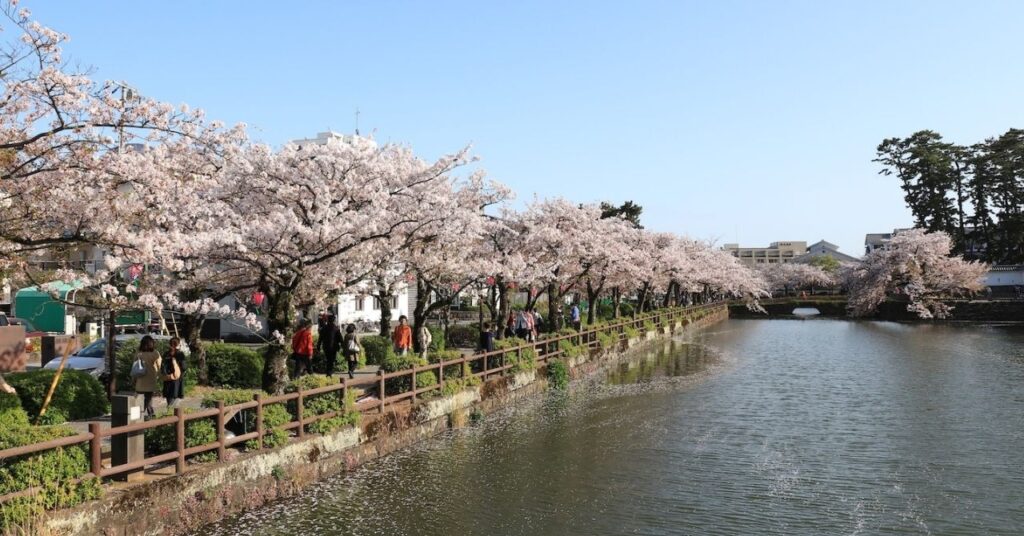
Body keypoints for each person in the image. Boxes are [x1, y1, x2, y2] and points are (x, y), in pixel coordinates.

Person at [134, 335, 162, 418]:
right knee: (148, 397)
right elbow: (159, 365)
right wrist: (159, 376)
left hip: (140, 378)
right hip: (151, 378)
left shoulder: (139, 354)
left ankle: (144, 413)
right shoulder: (155, 353)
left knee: (139, 398)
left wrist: (133, 379)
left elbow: (134, 367)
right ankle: (148, 413)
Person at [161, 337, 186, 406]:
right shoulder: (180, 354)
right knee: (174, 401)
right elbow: (183, 367)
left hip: (167, 378)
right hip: (177, 380)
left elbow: (162, 366)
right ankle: (170, 414)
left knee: (169, 399)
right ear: (178, 344)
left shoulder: (166, 354)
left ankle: (169, 412)